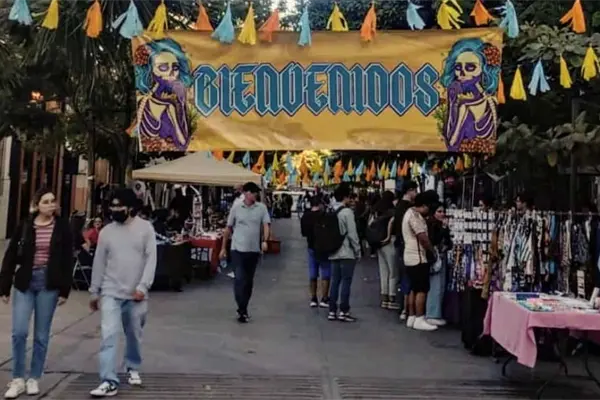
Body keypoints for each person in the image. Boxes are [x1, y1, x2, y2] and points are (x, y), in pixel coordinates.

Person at [0, 188, 73, 399]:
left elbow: (67, 259)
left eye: (53, 201)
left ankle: (34, 377)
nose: (51, 205)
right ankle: (17, 379)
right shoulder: (25, 225)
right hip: (25, 282)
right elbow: (10, 255)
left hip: (48, 284)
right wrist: (4, 286)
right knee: (19, 331)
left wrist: (65, 290)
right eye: (46, 201)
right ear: (36, 205)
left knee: (41, 335)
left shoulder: (62, 227)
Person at [88, 189, 157, 397]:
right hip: (111, 291)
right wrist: (94, 290)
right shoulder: (106, 232)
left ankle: (132, 366)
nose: (115, 210)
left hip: (136, 293)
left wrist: (143, 287)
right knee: (108, 335)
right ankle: (108, 380)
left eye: (120, 206)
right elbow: (99, 262)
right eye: (113, 206)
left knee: (134, 334)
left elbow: (151, 259)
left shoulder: (145, 229)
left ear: (131, 207)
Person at [219, 182, 271, 323]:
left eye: (256, 192)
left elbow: (266, 225)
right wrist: (223, 248)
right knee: (240, 278)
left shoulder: (261, 208)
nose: (256, 195)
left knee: (248, 281)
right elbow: (228, 228)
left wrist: (265, 240)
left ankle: (244, 307)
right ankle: (241, 309)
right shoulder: (236, 208)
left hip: (253, 250)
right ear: (246, 193)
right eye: (253, 192)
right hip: (237, 249)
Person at [402, 192, 438, 331]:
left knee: (413, 288)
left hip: (409, 256)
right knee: (422, 289)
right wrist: (432, 251)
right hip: (418, 257)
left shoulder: (408, 213)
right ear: (424, 205)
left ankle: (412, 317)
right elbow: (422, 237)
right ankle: (419, 318)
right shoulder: (415, 217)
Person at [328, 184, 361, 322]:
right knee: (346, 282)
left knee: (335, 282)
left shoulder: (330, 210)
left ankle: (332, 310)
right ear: (346, 197)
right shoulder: (347, 212)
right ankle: (344, 310)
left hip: (333, 251)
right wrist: (358, 251)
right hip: (347, 252)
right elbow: (352, 234)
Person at [394, 181, 418, 321]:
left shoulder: (398, 206)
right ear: (409, 190)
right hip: (407, 245)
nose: (416, 193)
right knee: (408, 277)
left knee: (403, 276)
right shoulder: (409, 209)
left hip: (399, 244)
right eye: (415, 190)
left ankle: (402, 307)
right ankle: (407, 309)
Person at [301, 196, 330, 308]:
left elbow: (304, 233)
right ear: (320, 204)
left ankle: (313, 298)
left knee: (313, 272)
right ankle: (324, 298)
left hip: (311, 246)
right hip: (324, 248)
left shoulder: (305, 216)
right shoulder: (325, 216)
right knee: (325, 272)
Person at [426, 204, 452, 326]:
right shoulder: (432, 225)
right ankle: (432, 313)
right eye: (439, 211)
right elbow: (434, 240)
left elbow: (448, 242)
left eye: (443, 211)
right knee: (435, 286)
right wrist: (444, 228)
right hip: (435, 257)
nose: (442, 214)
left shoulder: (440, 225)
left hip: (441, 256)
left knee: (440, 285)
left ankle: (436, 312)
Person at [373, 191, 399, 310]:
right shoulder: (392, 211)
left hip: (379, 243)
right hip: (390, 242)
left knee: (383, 271)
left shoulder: (377, 210)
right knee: (393, 272)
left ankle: (384, 298)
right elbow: (392, 221)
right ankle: (392, 297)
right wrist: (388, 236)